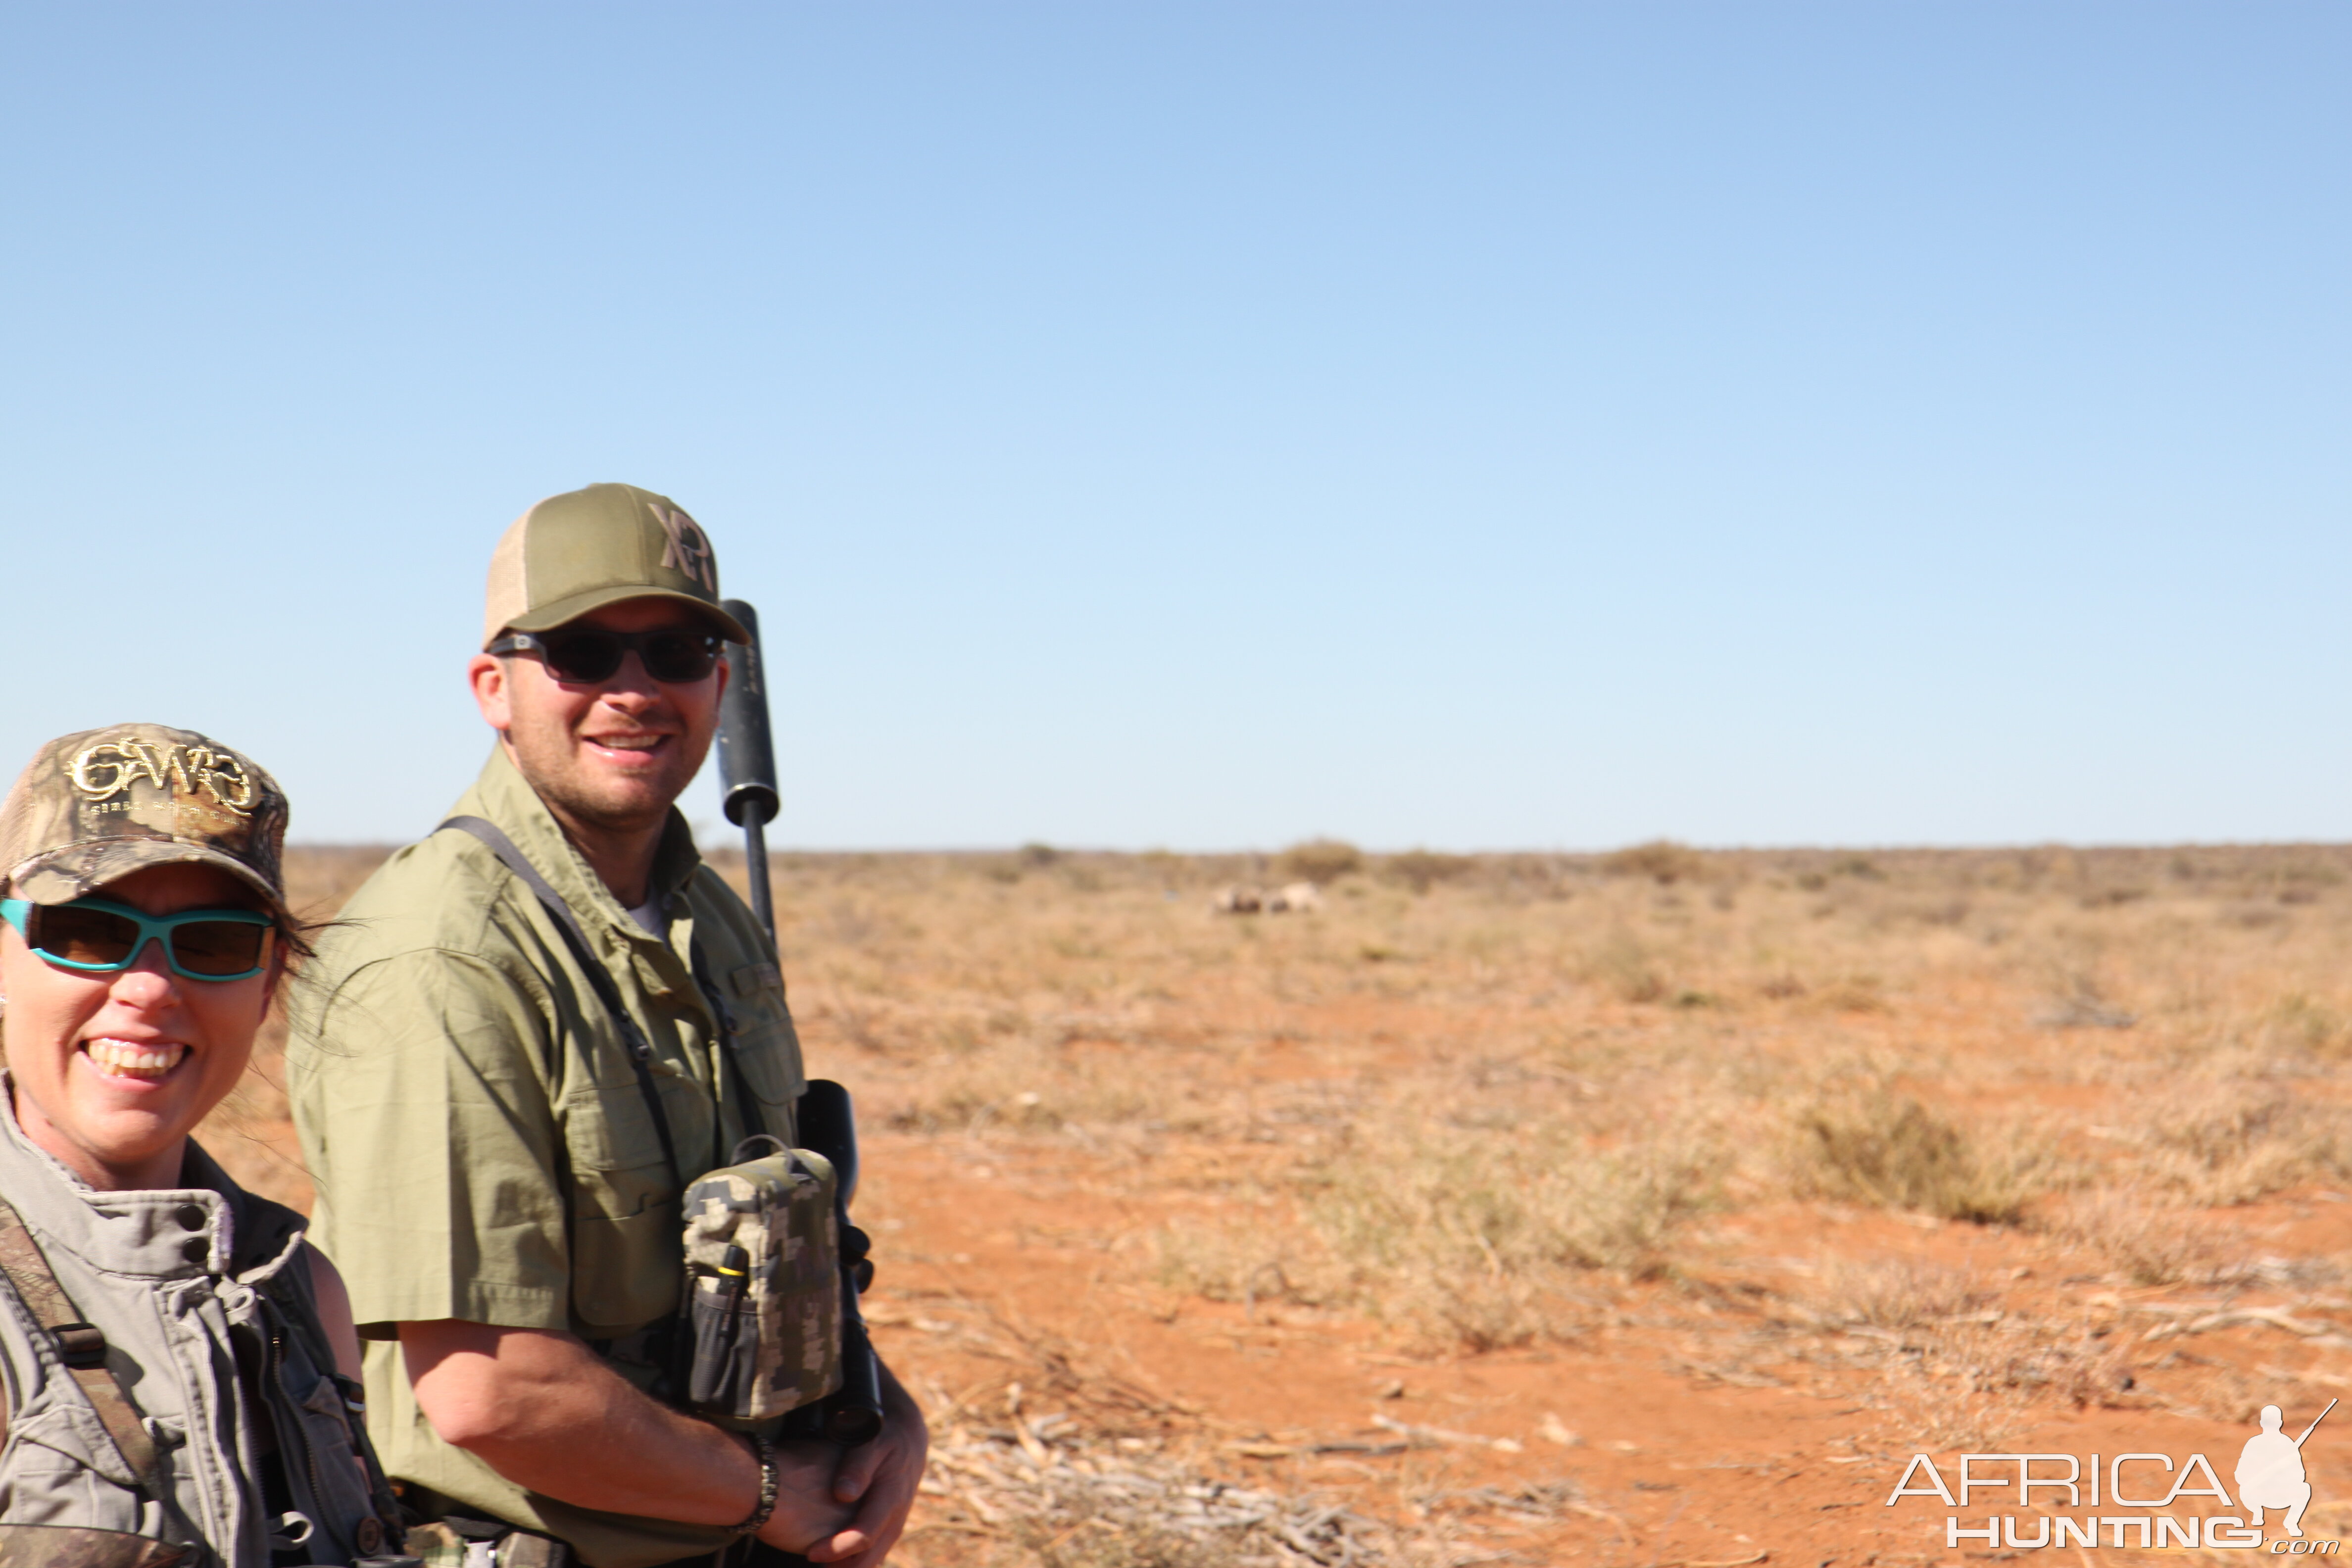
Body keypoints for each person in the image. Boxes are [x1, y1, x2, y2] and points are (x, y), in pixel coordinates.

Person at [285, 484, 927, 1568]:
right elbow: (491, 1389)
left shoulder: (709, 919)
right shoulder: (439, 958)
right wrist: (774, 1495)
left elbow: (776, 1252)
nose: (634, 692)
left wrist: (889, 1421)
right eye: (582, 653)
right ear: (495, 687)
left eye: (675, 651)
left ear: (721, 683)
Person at [0, 723, 405, 1567]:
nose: (149, 987)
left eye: (215, 941)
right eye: (86, 929)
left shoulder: (300, 1290)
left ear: (268, 985)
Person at [2237, 1404, 2316, 1537]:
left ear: (2261, 1423)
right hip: (2261, 1494)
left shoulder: (2260, 1442)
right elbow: (2241, 1474)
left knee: (2304, 1488)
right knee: (2305, 1488)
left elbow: (2299, 1475)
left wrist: (2281, 1471)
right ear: (2280, 1423)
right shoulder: (2259, 1443)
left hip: (2275, 1495)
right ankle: (2259, 1513)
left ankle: (2290, 1522)